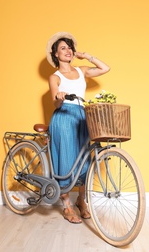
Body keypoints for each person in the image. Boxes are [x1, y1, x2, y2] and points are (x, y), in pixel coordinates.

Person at [46, 32, 110, 224]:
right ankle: (66, 205)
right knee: (65, 158)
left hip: (82, 116)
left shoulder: (82, 70)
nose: (68, 51)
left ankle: (81, 200)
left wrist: (86, 56)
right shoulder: (54, 76)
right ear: (56, 54)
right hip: (64, 116)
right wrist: (59, 97)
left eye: (70, 47)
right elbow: (55, 103)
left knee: (84, 159)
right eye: (63, 48)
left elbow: (105, 68)